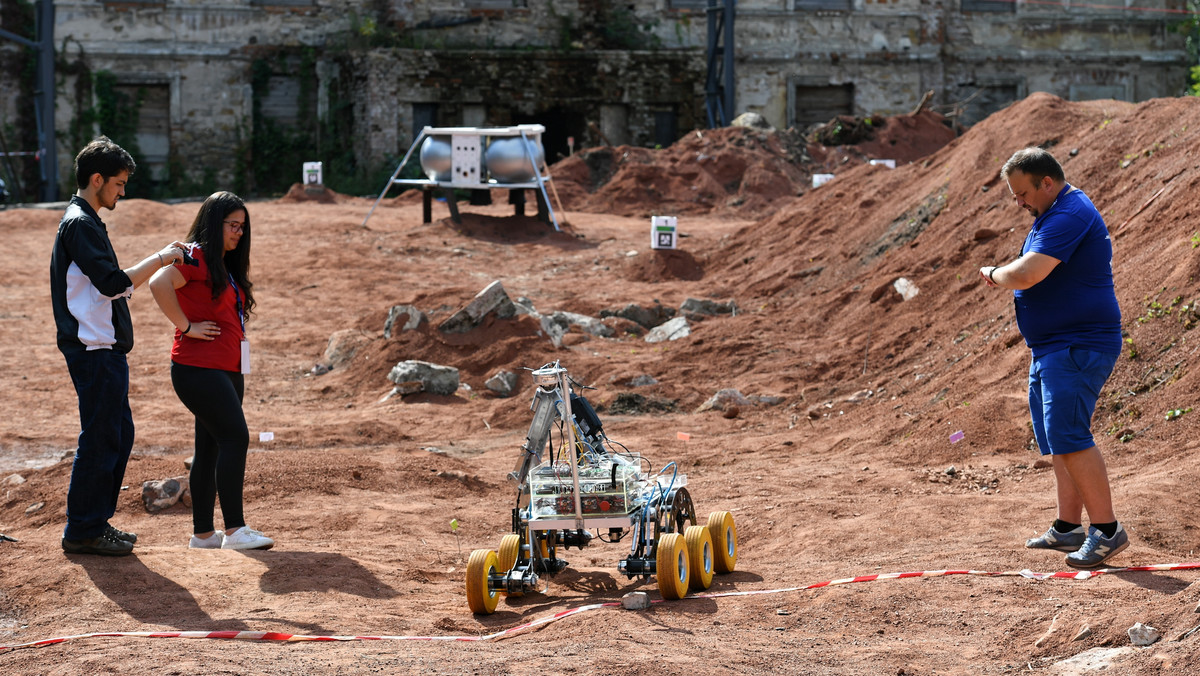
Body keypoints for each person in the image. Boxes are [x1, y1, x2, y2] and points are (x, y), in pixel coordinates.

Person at [980, 147, 1126, 569]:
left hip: (1077, 345)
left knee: (1071, 436)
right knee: (1057, 438)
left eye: (1022, 193)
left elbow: (1027, 273)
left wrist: (993, 273)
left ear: (1047, 182)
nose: (1019, 203)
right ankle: (1068, 528)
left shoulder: (1069, 213)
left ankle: (1107, 530)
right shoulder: (1055, 211)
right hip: (1054, 346)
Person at [51, 136, 187, 556]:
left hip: (102, 349)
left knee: (117, 434)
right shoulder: (79, 223)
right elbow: (112, 283)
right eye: (118, 183)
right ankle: (83, 530)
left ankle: (94, 524)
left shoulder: (85, 220)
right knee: (101, 437)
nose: (122, 192)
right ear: (97, 179)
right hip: (93, 351)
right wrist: (162, 257)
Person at [149, 191, 274, 551]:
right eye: (232, 225)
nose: (238, 233)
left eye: (242, 227)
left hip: (226, 368)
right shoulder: (198, 255)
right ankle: (235, 530)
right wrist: (187, 326)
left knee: (209, 449)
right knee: (236, 438)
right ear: (213, 223)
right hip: (198, 368)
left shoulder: (223, 264)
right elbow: (158, 284)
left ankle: (203, 534)